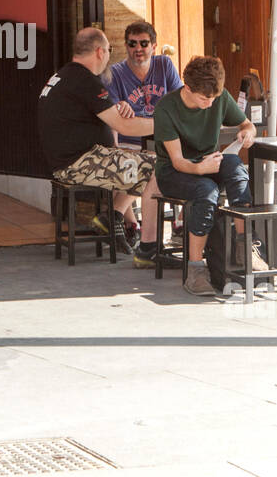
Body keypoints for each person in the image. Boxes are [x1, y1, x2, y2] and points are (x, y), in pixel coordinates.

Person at [146, 55, 262, 296]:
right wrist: (200, 169)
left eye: (214, 98)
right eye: (204, 98)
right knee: (206, 191)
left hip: (209, 164)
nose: (210, 104)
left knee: (237, 169)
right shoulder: (166, 108)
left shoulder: (218, 96)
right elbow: (177, 161)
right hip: (174, 173)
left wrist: (248, 134)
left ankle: (246, 247)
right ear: (187, 88)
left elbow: (247, 124)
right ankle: (196, 271)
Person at [37, 27, 155, 247]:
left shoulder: (64, 75)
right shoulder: (84, 81)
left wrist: (117, 106)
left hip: (72, 159)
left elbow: (89, 114)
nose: (109, 56)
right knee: (157, 165)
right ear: (100, 52)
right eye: (109, 50)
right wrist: (164, 124)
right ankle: (116, 219)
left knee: (130, 160)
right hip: (78, 163)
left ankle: (127, 225)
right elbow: (124, 126)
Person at [107, 21, 182, 260]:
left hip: (161, 139)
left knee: (162, 162)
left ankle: (117, 217)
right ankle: (130, 225)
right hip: (129, 139)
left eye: (143, 43)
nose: (138, 48)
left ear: (154, 45)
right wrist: (119, 105)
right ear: (126, 45)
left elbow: (179, 99)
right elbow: (109, 112)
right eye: (132, 43)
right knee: (137, 166)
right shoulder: (116, 73)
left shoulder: (164, 65)